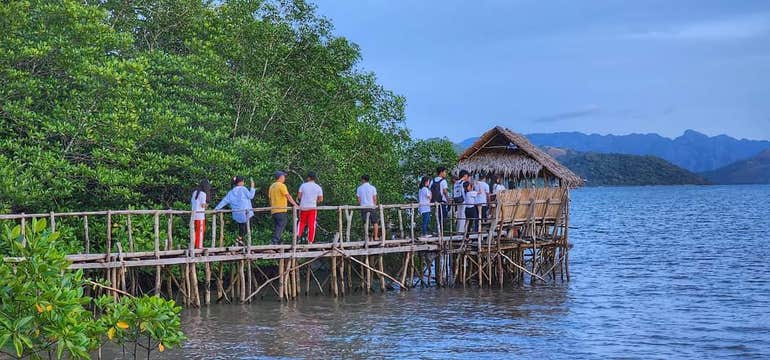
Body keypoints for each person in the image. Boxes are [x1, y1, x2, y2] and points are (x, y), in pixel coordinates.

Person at [214, 176, 256, 245]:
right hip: (246, 213)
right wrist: (252, 187)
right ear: (241, 182)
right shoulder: (243, 189)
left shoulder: (231, 192)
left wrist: (216, 209)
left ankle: (240, 241)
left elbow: (224, 201)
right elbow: (251, 196)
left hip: (237, 214)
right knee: (246, 228)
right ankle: (238, 241)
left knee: (242, 228)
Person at [269, 171, 298, 245]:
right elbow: (287, 196)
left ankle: (278, 242)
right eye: (284, 177)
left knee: (277, 226)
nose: (284, 178)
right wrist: (295, 204)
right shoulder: (281, 185)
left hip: (274, 210)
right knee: (281, 224)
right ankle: (274, 241)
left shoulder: (272, 186)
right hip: (281, 209)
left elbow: (269, 198)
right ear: (281, 177)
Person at [297, 172, 323, 244]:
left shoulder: (303, 185)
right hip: (312, 207)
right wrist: (315, 201)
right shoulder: (318, 187)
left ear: (308, 178)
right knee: (311, 224)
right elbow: (321, 199)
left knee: (301, 222)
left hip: (303, 207)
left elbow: (299, 196)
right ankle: (310, 241)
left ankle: (297, 236)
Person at [356, 175, 379, 241]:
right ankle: (376, 237)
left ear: (363, 180)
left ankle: (367, 237)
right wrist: (374, 205)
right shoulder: (373, 188)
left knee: (365, 223)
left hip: (363, 207)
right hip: (371, 206)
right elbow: (374, 198)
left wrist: (361, 205)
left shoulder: (359, 188)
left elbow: (359, 199)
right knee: (375, 222)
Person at [190, 180, 211, 249]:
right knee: (200, 231)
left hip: (193, 215)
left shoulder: (194, 192)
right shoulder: (203, 194)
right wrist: (207, 205)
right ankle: (199, 247)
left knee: (195, 231)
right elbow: (203, 205)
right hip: (200, 216)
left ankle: (194, 245)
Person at [430, 167, 449, 234]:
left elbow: (430, 192)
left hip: (434, 202)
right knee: (444, 217)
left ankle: (436, 231)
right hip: (442, 202)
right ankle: (439, 232)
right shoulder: (443, 181)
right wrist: (448, 200)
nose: (445, 174)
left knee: (437, 217)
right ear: (441, 172)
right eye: (444, 172)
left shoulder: (432, 181)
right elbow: (445, 192)